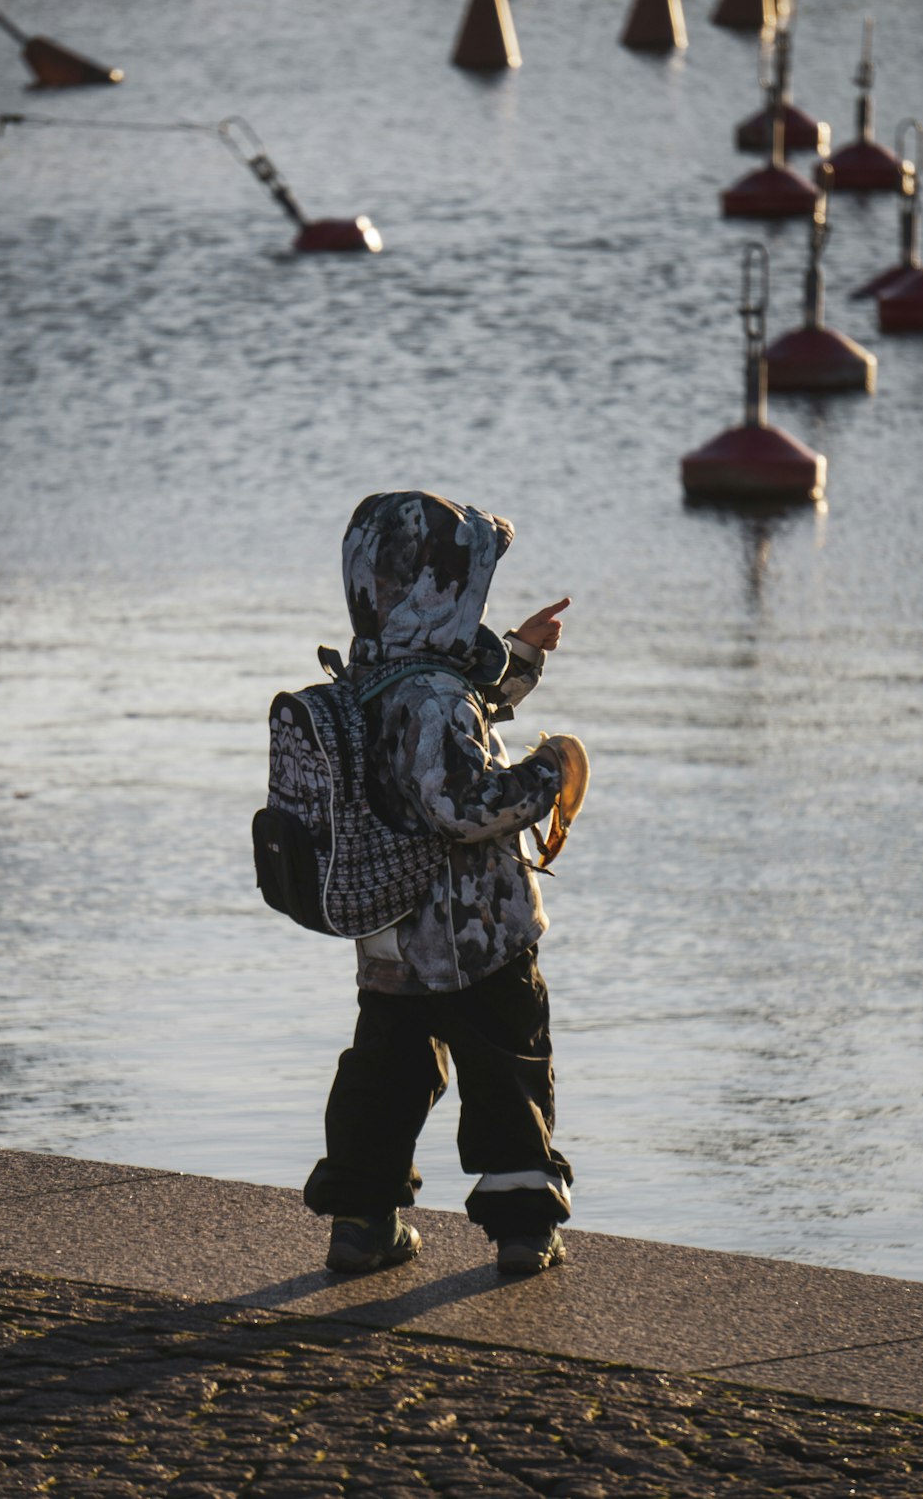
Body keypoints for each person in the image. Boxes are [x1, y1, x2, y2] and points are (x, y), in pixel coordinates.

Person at [303, 489, 581, 1276]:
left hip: (391, 933)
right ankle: (526, 1230)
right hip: (476, 938)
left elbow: (461, 721)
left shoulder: (373, 676)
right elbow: (464, 803)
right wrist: (548, 772)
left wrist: (520, 658)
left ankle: (360, 1221)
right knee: (508, 1070)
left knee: (386, 1075)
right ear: (440, 591)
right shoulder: (435, 698)